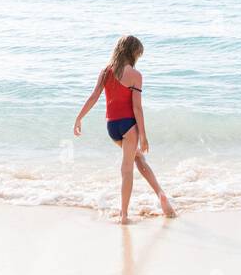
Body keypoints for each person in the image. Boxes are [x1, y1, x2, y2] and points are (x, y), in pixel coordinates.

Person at [73, 34, 176, 223]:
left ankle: (160, 193)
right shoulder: (135, 75)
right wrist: (143, 135)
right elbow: (137, 108)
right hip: (129, 126)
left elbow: (94, 96)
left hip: (112, 126)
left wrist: (79, 118)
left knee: (137, 158)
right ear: (133, 53)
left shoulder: (105, 71)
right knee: (127, 169)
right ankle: (124, 215)